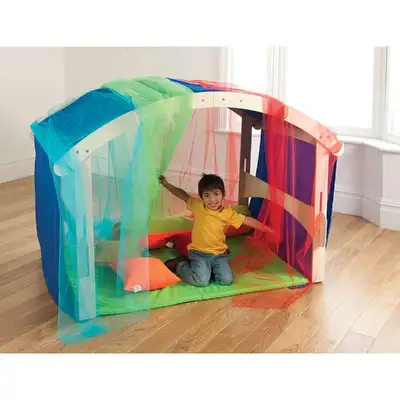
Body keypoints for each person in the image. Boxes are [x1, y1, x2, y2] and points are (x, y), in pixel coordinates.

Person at [159, 173, 273, 287]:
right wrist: (166, 184)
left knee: (226, 280)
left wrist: (266, 229)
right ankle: (180, 265)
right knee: (201, 281)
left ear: (223, 194)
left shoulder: (228, 213)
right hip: (199, 253)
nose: (212, 199)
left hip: (219, 255)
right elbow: (182, 195)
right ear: (201, 197)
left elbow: (247, 220)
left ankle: (208, 270)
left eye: (216, 194)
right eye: (207, 195)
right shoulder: (198, 206)